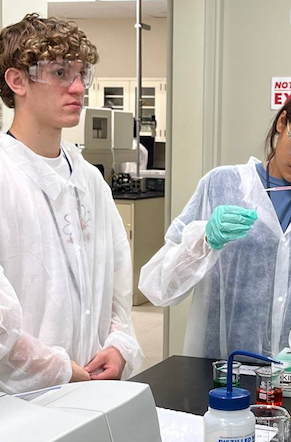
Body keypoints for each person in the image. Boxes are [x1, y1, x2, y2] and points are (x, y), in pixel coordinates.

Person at [139, 79, 291, 359]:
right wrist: (204, 240)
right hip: (221, 370)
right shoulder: (222, 185)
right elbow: (159, 287)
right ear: (282, 122)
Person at [0, 14, 143, 394]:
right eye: (61, 73)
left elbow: (117, 281)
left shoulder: (88, 179)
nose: (78, 87)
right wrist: (56, 369)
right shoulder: (4, 175)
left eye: (82, 74)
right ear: (17, 81)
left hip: (91, 387)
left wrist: (119, 344)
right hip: (18, 401)